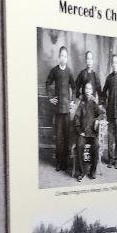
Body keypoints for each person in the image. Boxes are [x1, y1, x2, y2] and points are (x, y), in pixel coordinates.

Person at [45, 46, 76, 175]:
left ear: (67, 58)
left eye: (65, 56)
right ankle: (58, 162)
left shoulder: (69, 72)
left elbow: (74, 87)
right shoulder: (55, 71)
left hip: (67, 112)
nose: (63, 57)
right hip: (58, 111)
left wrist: (72, 101)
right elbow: (48, 83)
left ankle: (65, 162)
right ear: (59, 57)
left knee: (67, 138)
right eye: (61, 55)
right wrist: (50, 97)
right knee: (58, 138)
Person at [73, 82, 102, 181]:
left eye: (89, 89)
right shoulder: (82, 103)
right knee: (79, 145)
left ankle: (92, 171)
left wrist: (97, 120)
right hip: (83, 134)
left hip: (92, 134)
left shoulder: (94, 103)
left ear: (92, 91)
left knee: (96, 146)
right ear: (84, 90)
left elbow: (101, 114)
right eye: (86, 89)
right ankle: (82, 172)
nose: (88, 91)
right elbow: (76, 118)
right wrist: (79, 130)